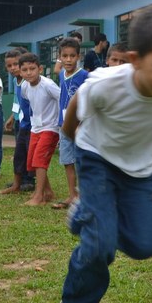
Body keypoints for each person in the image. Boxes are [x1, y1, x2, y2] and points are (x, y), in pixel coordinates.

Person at [54, 3, 152, 303]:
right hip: (98, 159)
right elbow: (73, 112)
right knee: (101, 246)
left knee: (144, 246)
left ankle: (86, 211)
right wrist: (75, 139)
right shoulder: (105, 83)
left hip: (140, 169)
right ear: (135, 60)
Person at [19, 52, 61, 206]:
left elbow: (63, 99)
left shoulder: (48, 85)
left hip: (50, 127)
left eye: (32, 68)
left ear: (40, 69)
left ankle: (39, 196)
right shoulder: (24, 86)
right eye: (25, 70)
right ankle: (48, 192)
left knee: (39, 161)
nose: (29, 73)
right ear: (20, 71)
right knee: (33, 162)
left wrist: (62, 122)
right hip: (35, 128)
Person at [52, 38, 89, 209]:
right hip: (63, 125)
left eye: (72, 56)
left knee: (82, 160)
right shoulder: (61, 74)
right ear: (60, 57)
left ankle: (85, 196)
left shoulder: (84, 76)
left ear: (78, 57)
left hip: (80, 126)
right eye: (64, 56)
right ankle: (72, 195)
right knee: (67, 160)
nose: (68, 60)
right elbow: (57, 69)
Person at [1, 48, 36, 194]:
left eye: (16, 64)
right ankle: (20, 178)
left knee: (29, 152)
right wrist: (11, 117)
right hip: (19, 121)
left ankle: (29, 180)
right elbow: (17, 102)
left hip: (29, 123)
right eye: (9, 66)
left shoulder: (28, 82)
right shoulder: (16, 81)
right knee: (20, 151)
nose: (13, 68)